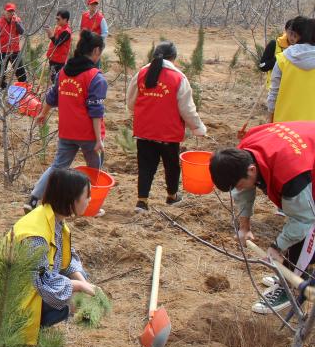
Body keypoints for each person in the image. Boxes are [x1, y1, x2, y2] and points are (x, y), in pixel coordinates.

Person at [0, 168, 98, 344]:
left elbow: (67, 260)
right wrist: (78, 287)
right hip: (7, 307)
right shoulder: (36, 236)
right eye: (87, 195)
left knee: (80, 281)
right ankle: (18, 333)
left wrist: (83, 282)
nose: (89, 200)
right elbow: (41, 282)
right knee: (67, 301)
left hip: (25, 290)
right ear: (72, 198)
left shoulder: (54, 219)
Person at [210, 121, 315, 314]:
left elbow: (303, 220)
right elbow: (243, 191)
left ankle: (288, 288)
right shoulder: (243, 153)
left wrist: (277, 247)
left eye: (238, 184)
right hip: (305, 154)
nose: (238, 189)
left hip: (302, 166)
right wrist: (244, 226)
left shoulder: (290, 174)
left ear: (251, 170)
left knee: (308, 232)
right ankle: (292, 274)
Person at [25, 30, 108, 213]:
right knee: (94, 168)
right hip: (88, 134)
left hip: (67, 130)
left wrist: (43, 113)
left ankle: (33, 199)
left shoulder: (64, 71)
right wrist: (98, 139)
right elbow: (96, 112)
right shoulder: (96, 77)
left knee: (58, 167)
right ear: (95, 51)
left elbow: (52, 96)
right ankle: (90, 206)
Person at [127, 42, 206, 212]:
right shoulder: (178, 78)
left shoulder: (142, 73)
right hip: (168, 133)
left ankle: (142, 201)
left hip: (145, 130)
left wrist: (141, 111)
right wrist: (197, 128)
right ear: (173, 58)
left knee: (146, 165)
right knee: (171, 165)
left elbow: (131, 101)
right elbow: (187, 109)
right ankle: (172, 196)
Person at [267, 17, 315, 123]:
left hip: (285, 123)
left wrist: (270, 116)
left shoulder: (282, 59)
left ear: (295, 35)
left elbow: (274, 91)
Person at [258, 17, 303, 86]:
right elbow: (262, 67)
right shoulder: (274, 44)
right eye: (290, 33)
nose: (292, 37)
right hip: (275, 88)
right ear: (285, 31)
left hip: (293, 87)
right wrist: (280, 58)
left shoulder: (303, 48)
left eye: (296, 34)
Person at [0, 3, 26, 89]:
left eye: (12, 11)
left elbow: (22, 32)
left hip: (15, 51)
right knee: (1, 74)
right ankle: (3, 89)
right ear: (4, 11)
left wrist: (16, 22)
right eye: (8, 11)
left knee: (21, 72)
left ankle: (24, 89)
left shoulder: (17, 20)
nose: (10, 13)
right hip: (2, 52)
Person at [46, 10, 73, 83]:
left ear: (65, 19)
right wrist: (50, 33)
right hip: (53, 58)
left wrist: (51, 35)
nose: (57, 21)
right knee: (53, 78)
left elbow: (58, 43)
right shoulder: (58, 27)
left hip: (59, 61)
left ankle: (58, 93)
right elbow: (53, 40)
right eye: (56, 19)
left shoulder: (67, 31)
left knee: (57, 80)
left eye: (59, 19)